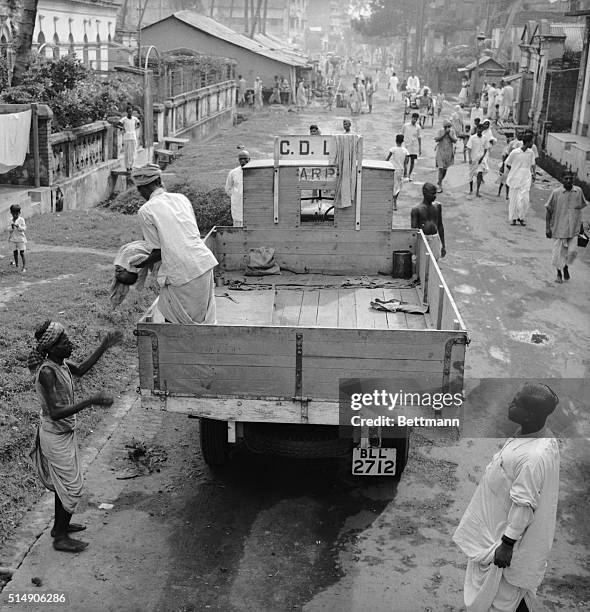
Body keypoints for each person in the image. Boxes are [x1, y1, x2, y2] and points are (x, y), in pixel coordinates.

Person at [453, 383, 560, 612]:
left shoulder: (533, 457)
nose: (510, 403)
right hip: (497, 533)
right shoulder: (534, 437)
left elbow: (524, 505)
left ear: (531, 414)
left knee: (503, 596)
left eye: (517, 402)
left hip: (504, 545)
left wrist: (506, 545)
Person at [28, 321, 122, 552]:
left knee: (64, 484)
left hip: (63, 434)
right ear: (50, 348)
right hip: (55, 435)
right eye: (63, 341)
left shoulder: (61, 363)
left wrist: (104, 346)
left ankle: (59, 527)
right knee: (72, 487)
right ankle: (60, 537)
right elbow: (56, 412)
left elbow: (80, 369)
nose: (69, 343)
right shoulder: (48, 372)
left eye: (67, 338)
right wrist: (91, 401)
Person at [132, 164, 218, 325]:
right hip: (204, 264)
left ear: (141, 188)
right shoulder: (181, 198)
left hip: (183, 274)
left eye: (139, 189)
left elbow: (157, 251)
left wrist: (139, 264)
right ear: (159, 180)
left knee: (178, 325)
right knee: (204, 322)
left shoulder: (146, 211)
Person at [545, 170, 587, 283]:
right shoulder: (556, 193)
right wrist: (547, 228)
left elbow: (580, 208)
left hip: (574, 229)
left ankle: (566, 267)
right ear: (562, 179)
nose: (568, 181)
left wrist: (581, 227)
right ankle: (559, 273)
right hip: (559, 228)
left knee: (571, 253)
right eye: (566, 178)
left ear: (573, 179)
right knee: (557, 254)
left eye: (570, 178)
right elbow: (549, 210)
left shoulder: (578, 191)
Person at [505, 134, 536, 226]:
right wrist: (513, 172)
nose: (533, 143)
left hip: (526, 178)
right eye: (531, 141)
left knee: (524, 199)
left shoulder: (531, 153)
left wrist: (534, 174)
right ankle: (514, 218)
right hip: (515, 178)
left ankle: (521, 217)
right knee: (514, 199)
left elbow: (533, 164)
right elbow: (508, 163)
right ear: (527, 142)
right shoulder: (515, 152)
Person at [411, 183, 446, 260]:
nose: (435, 196)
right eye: (432, 193)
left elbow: (440, 225)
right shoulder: (416, 210)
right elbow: (413, 232)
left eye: (435, 193)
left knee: (434, 263)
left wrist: (443, 245)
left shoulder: (438, 206)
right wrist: (414, 250)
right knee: (423, 263)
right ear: (425, 193)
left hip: (434, 239)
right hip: (423, 240)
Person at [225, 149, 250, 228]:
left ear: (249, 159)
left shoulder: (255, 171)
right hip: (238, 205)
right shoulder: (233, 173)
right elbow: (228, 189)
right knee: (238, 227)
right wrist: (235, 196)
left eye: (245, 158)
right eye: (241, 159)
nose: (243, 161)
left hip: (251, 205)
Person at [385, 134, 409, 211]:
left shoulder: (393, 149)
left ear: (396, 140)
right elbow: (406, 163)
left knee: (393, 185)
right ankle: (394, 201)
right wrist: (406, 173)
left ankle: (392, 200)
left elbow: (387, 159)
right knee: (398, 186)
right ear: (402, 141)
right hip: (400, 170)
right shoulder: (405, 151)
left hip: (393, 169)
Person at [434, 119, 457, 193]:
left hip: (448, 152)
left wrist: (449, 135)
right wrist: (444, 134)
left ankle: (440, 180)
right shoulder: (440, 131)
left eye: (449, 126)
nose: (447, 128)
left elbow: (455, 140)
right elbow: (436, 139)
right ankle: (440, 186)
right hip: (441, 151)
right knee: (440, 169)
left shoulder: (452, 132)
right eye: (446, 126)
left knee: (445, 169)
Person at [466, 124, 490, 198]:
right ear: (476, 129)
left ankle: (477, 191)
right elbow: (469, 149)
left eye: (481, 129)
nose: (479, 130)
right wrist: (469, 158)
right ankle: (471, 189)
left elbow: (486, 149)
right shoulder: (472, 138)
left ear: (482, 129)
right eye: (478, 129)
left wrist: (482, 157)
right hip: (473, 159)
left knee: (480, 174)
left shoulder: (485, 138)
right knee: (471, 175)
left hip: (481, 160)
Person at [117, 106, 141, 172]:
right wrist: (122, 128)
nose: (130, 113)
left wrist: (135, 128)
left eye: (131, 111)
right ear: (127, 112)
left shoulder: (135, 119)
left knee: (133, 152)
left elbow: (139, 124)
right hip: (126, 137)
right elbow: (118, 124)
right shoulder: (124, 119)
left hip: (133, 137)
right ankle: (127, 167)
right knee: (127, 152)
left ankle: (131, 166)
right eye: (129, 111)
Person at [402, 113, 422, 181]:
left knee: (412, 162)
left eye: (416, 119)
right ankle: (405, 175)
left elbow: (419, 137)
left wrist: (419, 148)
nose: (415, 120)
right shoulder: (406, 126)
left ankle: (409, 175)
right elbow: (402, 134)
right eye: (414, 118)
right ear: (412, 118)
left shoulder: (418, 127)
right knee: (406, 161)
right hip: (406, 145)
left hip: (414, 146)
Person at [8, 203, 27, 273]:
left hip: (20, 239)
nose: (15, 215)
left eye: (16, 214)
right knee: (15, 252)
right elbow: (8, 229)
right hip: (13, 239)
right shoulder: (10, 220)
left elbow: (24, 228)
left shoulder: (21, 220)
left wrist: (18, 227)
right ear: (11, 213)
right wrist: (12, 227)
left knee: (22, 252)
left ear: (19, 213)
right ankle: (17, 265)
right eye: (13, 214)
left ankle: (24, 266)